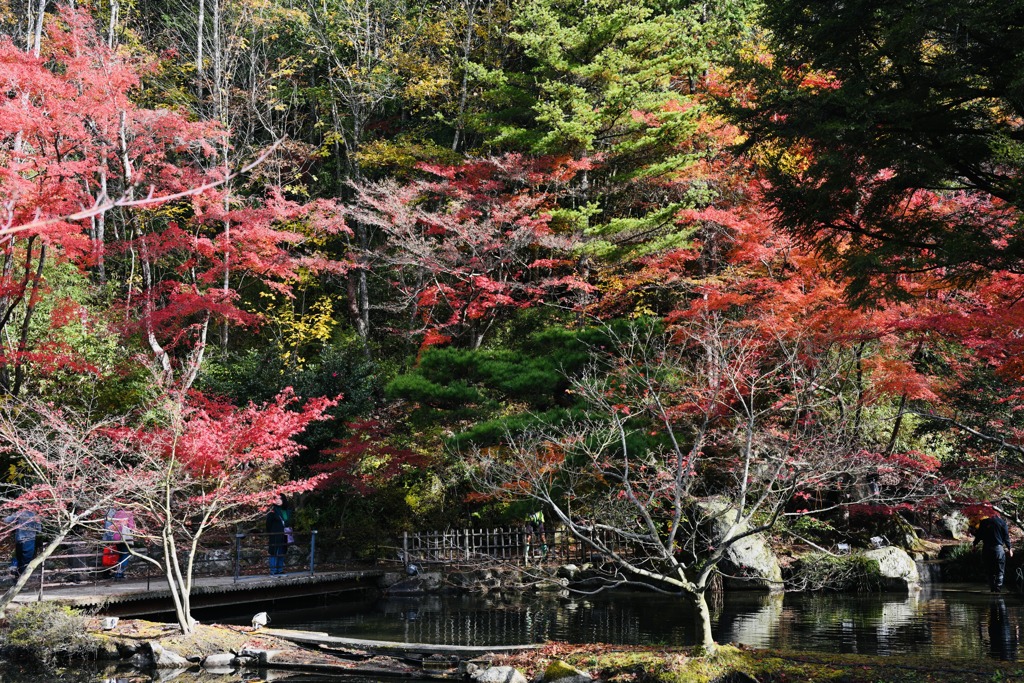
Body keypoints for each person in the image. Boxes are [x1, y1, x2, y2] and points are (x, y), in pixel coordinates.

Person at [973, 511, 1014, 592]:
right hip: (998, 549)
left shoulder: (984, 522)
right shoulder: (1002, 522)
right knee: (1000, 570)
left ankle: (992, 588)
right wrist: (1010, 549)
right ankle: (998, 589)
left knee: (989, 570)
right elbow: (1006, 537)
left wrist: (974, 545)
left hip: (986, 549)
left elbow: (978, 536)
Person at [4, 509, 41, 577]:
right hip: (30, 539)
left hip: (19, 539)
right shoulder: (35, 515)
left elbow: (6, 520)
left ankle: (17, 576)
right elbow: (39, 529)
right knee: (26, 561)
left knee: (19, 558)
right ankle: (22, 578)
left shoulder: (19, 512)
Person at [104, 507, 136, 581]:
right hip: (125, 538)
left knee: (120, 554)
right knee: (125, 555)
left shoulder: (116, 514)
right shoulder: (129, 514)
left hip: (116, 537)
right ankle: (119, 573)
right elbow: (131, 526)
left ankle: (117, 573)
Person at [266, 496, 291, 576]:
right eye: (276, 499)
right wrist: (271, 532)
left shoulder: (286, 510)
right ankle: (273, 570)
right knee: (274, 552)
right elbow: (268, 524)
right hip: (275, 534)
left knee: (282, 551)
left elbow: (289, 521)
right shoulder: (272, 511)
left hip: (285, 534)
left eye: (280, 499)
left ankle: (280, 569)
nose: (278, 500)